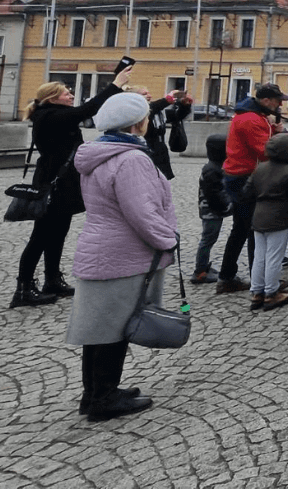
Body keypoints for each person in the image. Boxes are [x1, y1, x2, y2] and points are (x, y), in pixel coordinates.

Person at [66, 91, 175, 422]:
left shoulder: (98, 153)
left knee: (100, 327)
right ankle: (104, 398)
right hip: (123, 253)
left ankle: (95, 392)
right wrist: (168, 240)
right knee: (115, 328)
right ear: (139, 123)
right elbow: (142, 212)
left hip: (100, 248)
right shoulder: (131, 159)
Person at [11, 67, 130, 309]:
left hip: (63, 183)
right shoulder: (50, 116)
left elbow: (84, 113)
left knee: (58, 233)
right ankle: (23, 289)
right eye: (67, 93)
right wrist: (115, 84)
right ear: (53, 98)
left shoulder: (55, 114)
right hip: (52, 183)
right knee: (41, 236)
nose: (71, 96)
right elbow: (87, 110)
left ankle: (52, 280)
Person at [217, 84, 288, 296]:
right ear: (266, 101)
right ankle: (261, 281)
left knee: (243, 229)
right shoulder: (251, 119)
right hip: (244, 176)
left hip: (241, 174)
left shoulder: (253, 116)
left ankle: (233, 277)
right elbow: (267, 151)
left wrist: (275, 130)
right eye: (278, 100)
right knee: (253, 229)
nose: (281, 104)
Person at [244, 133, 288, 311]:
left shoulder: (260, 168)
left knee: (259, 257)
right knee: (274, 258)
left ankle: (256, 292)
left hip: (259, 216)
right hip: (279, 219)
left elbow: (247, 193)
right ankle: (271, 293)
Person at [192, 133, 231, 283]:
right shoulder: (212, 170)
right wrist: (225, 207)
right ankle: (200, 272)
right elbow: (213, 195)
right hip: (211, 212)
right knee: (207, 240)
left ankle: (203, 266)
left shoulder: (214, 166)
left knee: (208, 239)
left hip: (213, 211)